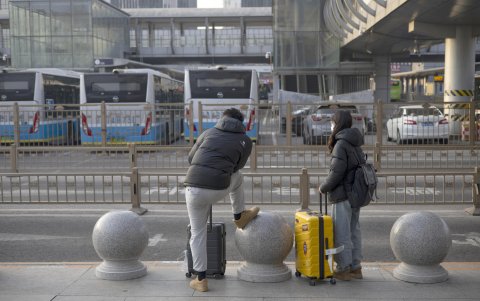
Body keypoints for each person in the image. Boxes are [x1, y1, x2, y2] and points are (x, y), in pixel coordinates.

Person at [184, 107, 260, 292]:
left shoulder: (208, 133)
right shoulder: (245, 140)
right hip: (218, 187)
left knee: (197, 233)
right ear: (240, 122)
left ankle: (201, 280)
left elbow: (190, 157)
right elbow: (237, 166)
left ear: (222, 119)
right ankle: (239, 215)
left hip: (192, 188)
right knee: (238, 177)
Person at [319, 110, 364, 281]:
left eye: (332, 122)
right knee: (354, 230)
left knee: (342, 232)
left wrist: (323, 187)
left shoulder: (341, 144)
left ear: (337, 124)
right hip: (356, 194)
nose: (331, 125)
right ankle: (355, 267)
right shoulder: (355, 141)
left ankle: (343, 268)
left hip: (343, 194)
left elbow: (337, 172)